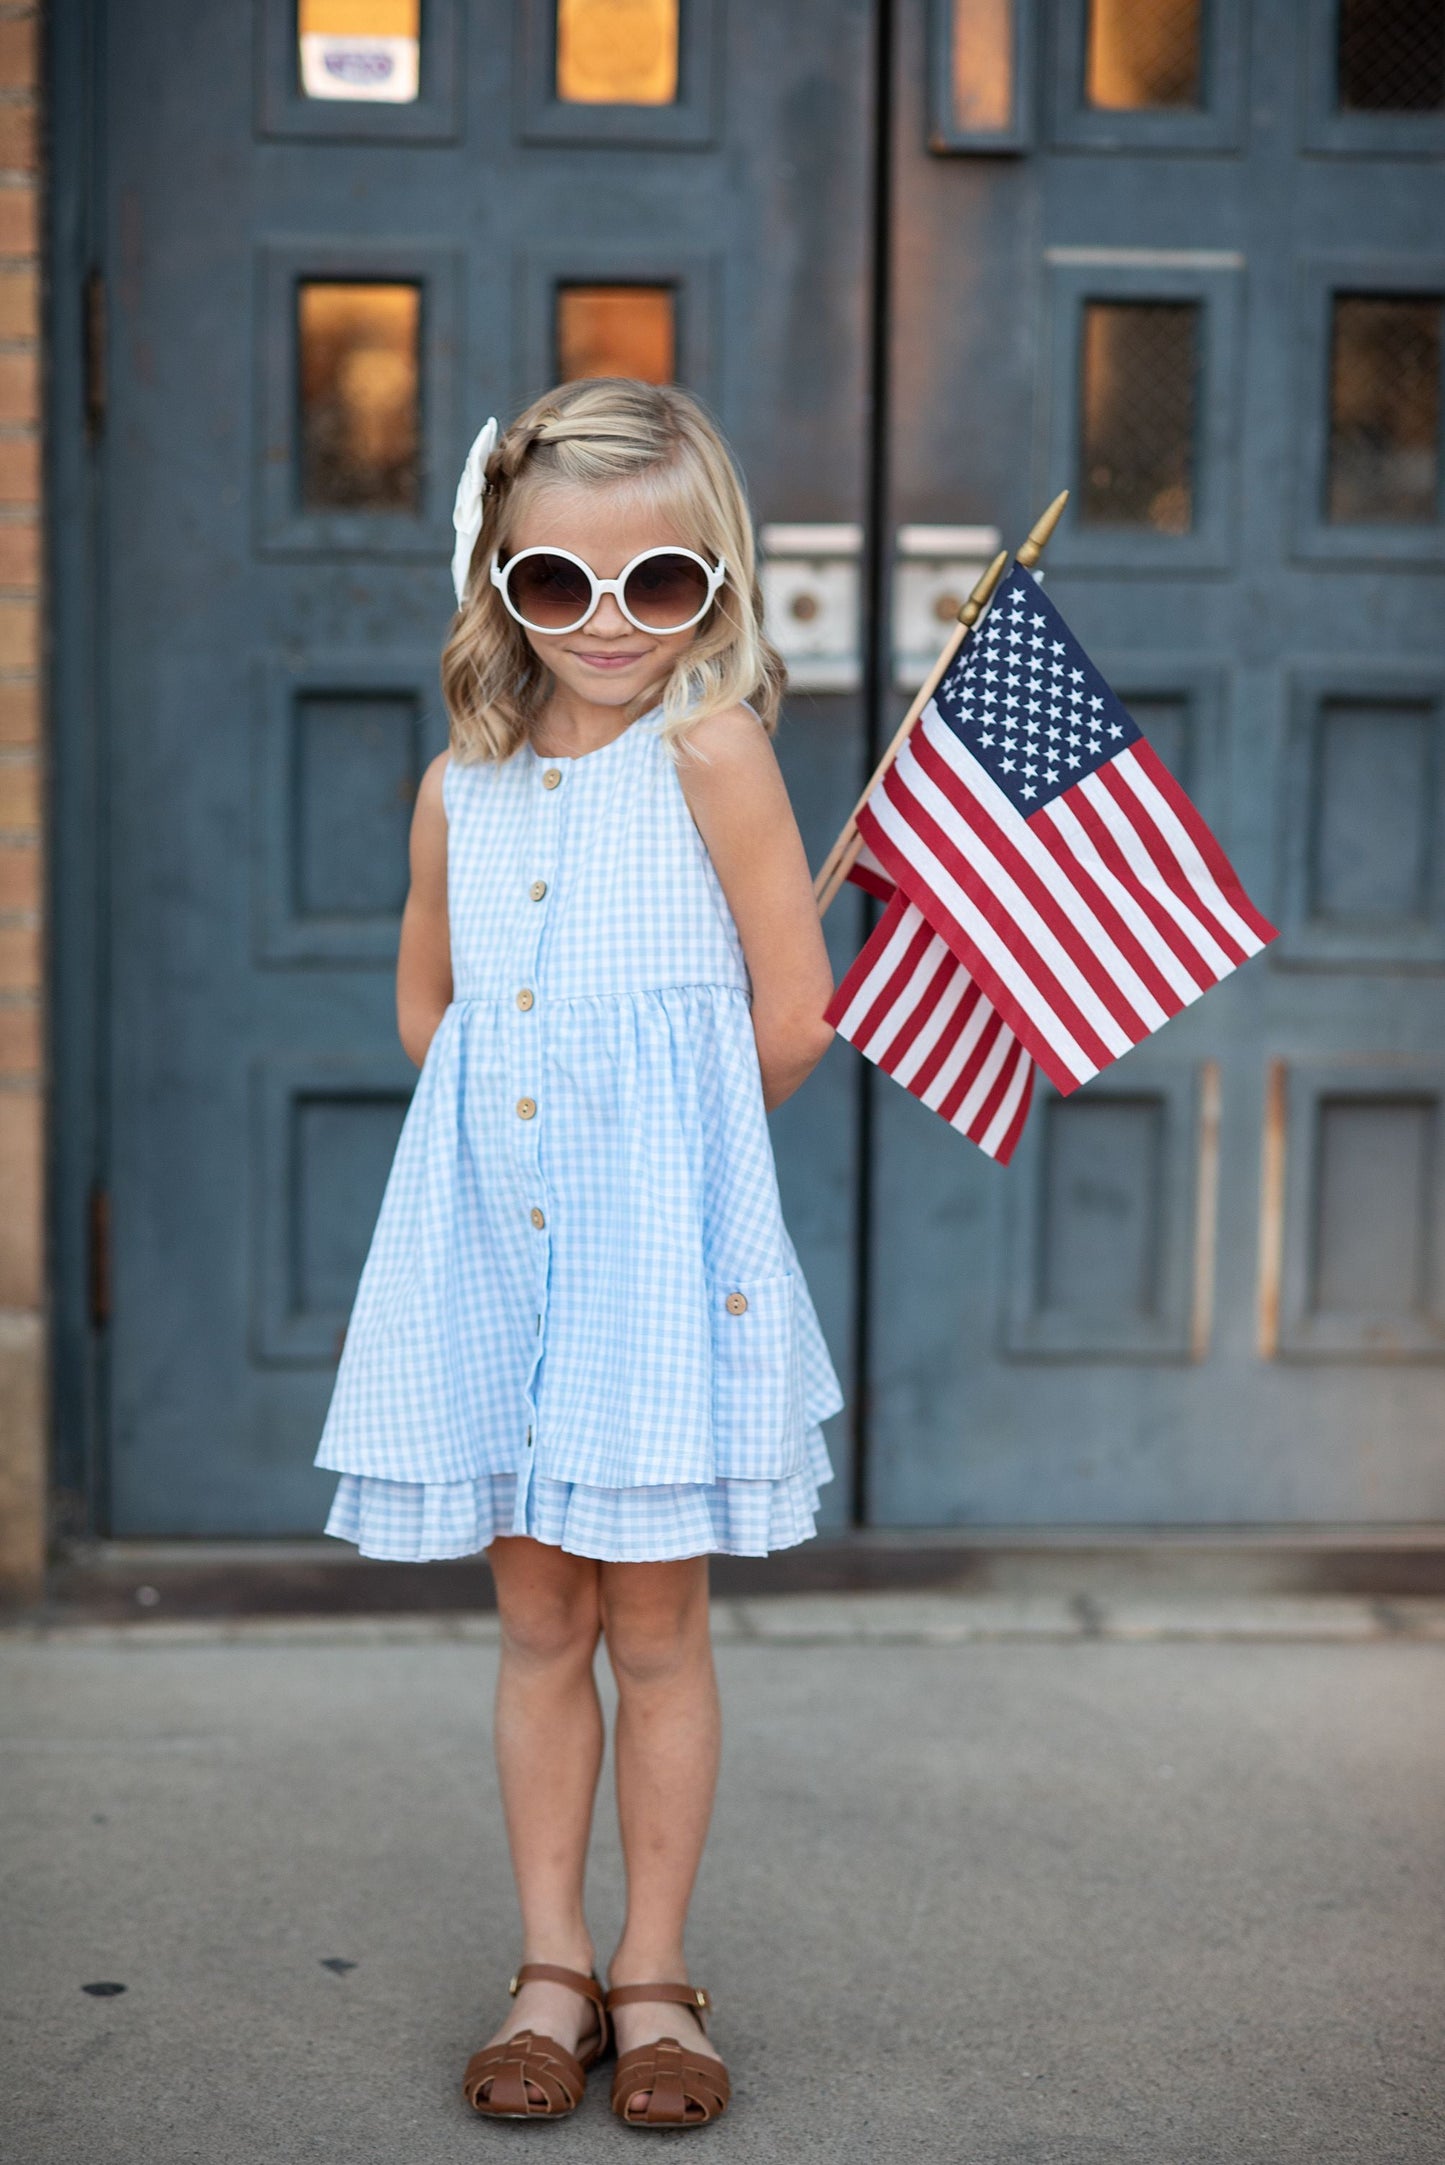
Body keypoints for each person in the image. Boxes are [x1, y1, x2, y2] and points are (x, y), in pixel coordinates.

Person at [313, 377, 844, 2127]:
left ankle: (654, 1970)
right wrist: (511, 1131)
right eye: (558, 581)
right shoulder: (458, 785)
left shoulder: (712, 753)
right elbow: (430, 1007)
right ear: (498, 582)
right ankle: (549, 1964)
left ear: (716, 582)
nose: (609, 623)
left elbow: (793, 1007)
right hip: (496, 1255)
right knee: (538, 1617)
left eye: (658, 583)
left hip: (649, 1267)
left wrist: (668, 1158)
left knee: (657, 1625)